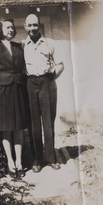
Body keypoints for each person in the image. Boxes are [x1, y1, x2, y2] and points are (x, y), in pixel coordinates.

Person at [0, 18, 29, 175]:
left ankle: (19, 162)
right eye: (8, 27)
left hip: (18, 89)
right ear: (0, 30)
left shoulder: (18, 47)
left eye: (12, 27)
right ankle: (10, 163)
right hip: (3, 91)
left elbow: (23, 70)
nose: (11, 29)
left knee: (19, 127)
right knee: (6, 128)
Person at [22, 13, 64, 172]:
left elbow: (60, 64)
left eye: (35, 25)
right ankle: (38, 160)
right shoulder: (22, 45)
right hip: (30, 84)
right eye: (29, 25)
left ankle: (51, 158)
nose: (32, 28)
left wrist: (52, 77)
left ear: (39, 26)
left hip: (47, 84)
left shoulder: (49, 43)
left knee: (48, 122)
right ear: (25, 27)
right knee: (34, 125)